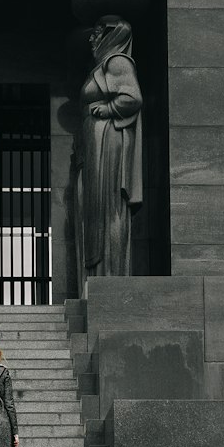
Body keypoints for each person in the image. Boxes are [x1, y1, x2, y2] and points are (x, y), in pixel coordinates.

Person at [72, 15, 143, 279]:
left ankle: (110, 275)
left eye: (98, 32)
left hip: (108, 140)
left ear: (112, 35)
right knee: (94, 210)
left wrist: (107, 109)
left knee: (108, 207)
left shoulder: (116, 61)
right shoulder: (104, 64)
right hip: (95, 142)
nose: (92, 38)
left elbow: (132, 97)